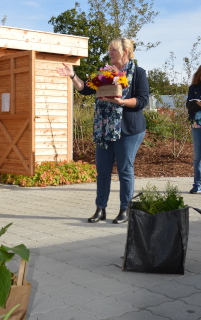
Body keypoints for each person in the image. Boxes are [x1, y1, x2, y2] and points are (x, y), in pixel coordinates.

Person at [56, 37, 149, 224]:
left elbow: (142, 101)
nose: (110, 53)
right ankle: (101, 209)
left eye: (113, 49)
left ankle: (125, 209)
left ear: (125, 52)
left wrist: (121, 101)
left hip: (128, 129)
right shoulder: (104, 73)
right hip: (104, 128)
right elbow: (85, 90)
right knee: (103, 171)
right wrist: (72, 75)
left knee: (124, 170)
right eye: (109, 49)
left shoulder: (138, 73)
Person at [186, 66, 201, 194]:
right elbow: (188, 105)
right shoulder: (193, 88)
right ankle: (197, 183)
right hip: (197, 125)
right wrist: (196, 104)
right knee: (197, 156)